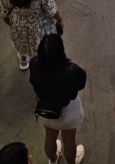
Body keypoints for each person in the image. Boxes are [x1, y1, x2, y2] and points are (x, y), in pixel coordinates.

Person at [29, 34, 86, 164]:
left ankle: (53, 160)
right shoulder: (71, 70)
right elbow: (81, 84)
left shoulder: (34, 64)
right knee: (69, 139)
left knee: (50, 137)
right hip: (68, 110)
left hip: (46, 108)